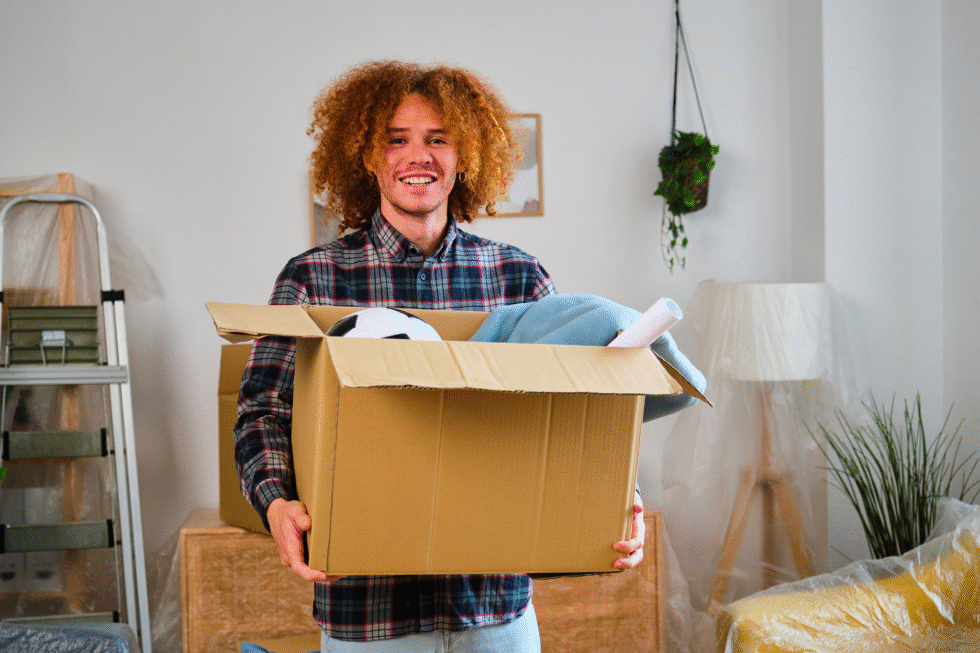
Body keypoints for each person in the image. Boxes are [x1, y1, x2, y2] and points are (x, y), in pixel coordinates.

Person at [235, 60, 645, 652]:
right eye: (396, 140)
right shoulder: (312, 278)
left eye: (437, 139)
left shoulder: (518, 276)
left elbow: (575, 410)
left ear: (465, 156)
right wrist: (276, 504)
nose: (417, 156)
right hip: (368, 614)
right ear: (368, 157)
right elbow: (262, 414)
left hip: (495, 615)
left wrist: (617, 494)